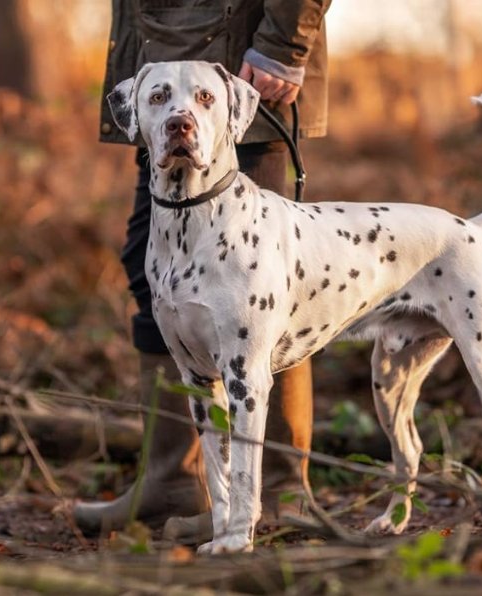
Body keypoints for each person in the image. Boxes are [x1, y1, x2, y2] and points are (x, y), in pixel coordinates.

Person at [73, 0, 331, 538]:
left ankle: (279, 495)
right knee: (150, 266)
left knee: (263, 290)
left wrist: (283, 44)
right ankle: (175, 480)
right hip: (162, 60)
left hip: (240, 63)